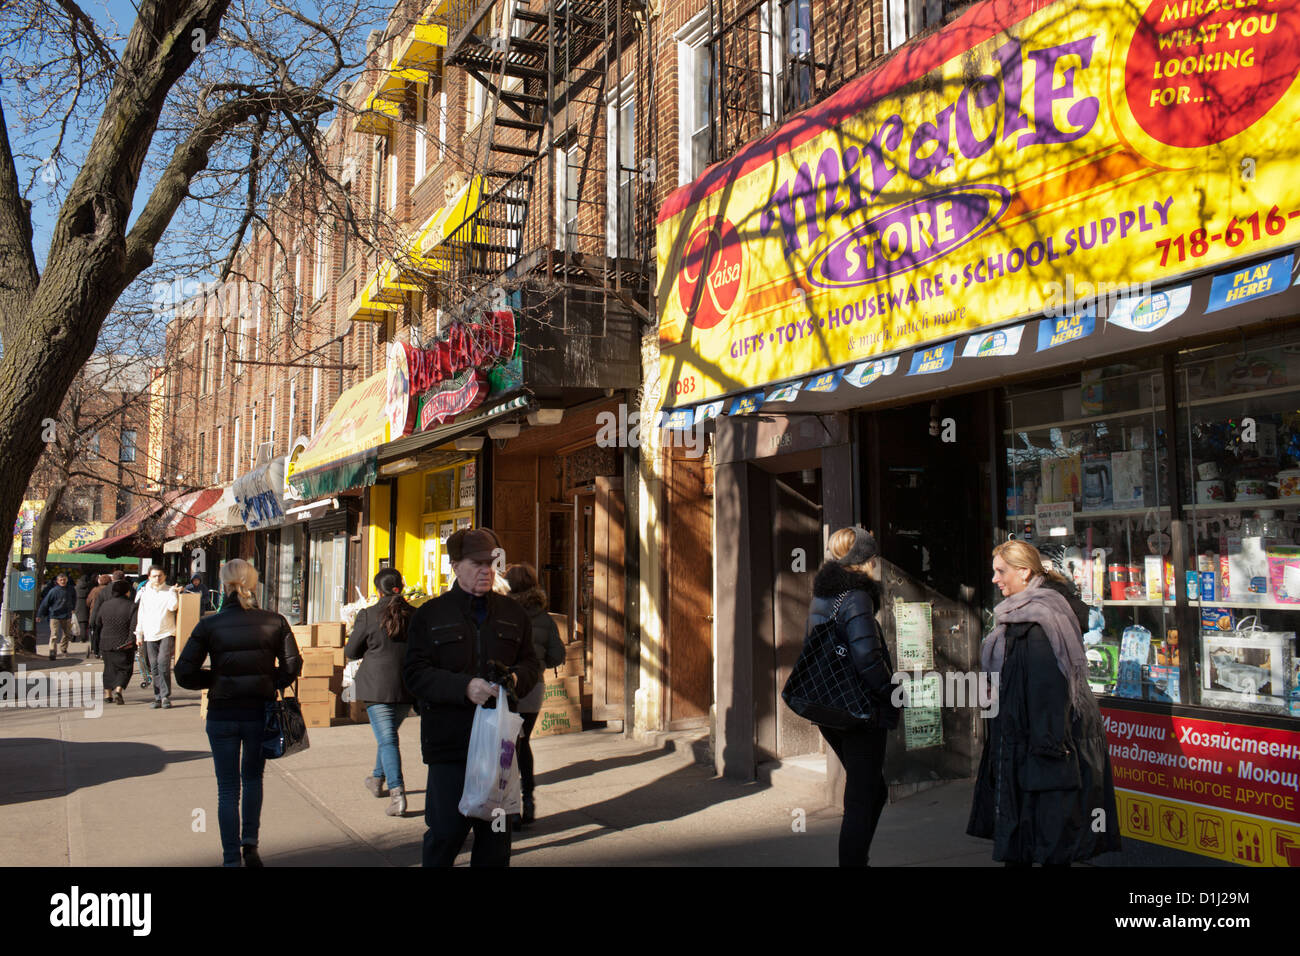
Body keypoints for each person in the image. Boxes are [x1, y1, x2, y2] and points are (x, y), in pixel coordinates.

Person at [967, 539, 1121, 866]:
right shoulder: (1021, 616)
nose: (995, 579)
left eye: (1001, 571)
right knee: (1037, 842)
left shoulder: (1038, 623)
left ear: (1023, 572)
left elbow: (1048, 695)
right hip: (1027, 748)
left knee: (1046, 842)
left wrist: (1046, 752)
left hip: (1041, 751)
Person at [403, 527, 541, 867]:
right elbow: (413, 674)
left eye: (491, 563)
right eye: (476, 563)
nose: (486, 570)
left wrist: (514, 679)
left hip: (498, 753)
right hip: (450, 747)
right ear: (455, 565)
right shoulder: (430, 615)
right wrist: (464, 688)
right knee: (446, 834)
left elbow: (531, 664)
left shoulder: (513, 614)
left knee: (495, 844)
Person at [175, 559, 302, 867]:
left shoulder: (210, 624)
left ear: (224, 582)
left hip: (222, 712)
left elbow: (183, 672)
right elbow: (292, 666)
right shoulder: (275, 621)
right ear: (254, 583)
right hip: (259, 711)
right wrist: (270, 681)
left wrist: (214, 680)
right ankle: (251, 844)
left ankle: (231, 857)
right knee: (254, 778)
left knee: (228, 788)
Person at [801, 526, 899, 867]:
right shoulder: (857, 597)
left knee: (871, 790)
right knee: (863, 796)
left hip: (831, 706)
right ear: (866, 561)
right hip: (859, 709)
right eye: (874, 560)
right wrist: (890, 693)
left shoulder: (823, 595)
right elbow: (867, 657)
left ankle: (857, 860)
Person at [346, 568, 416, 817]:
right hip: (407, 687)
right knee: (387, 736)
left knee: (388, 739)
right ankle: (377, 779)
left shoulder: (369, 614)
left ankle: (397, 793)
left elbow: (351, 651)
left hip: (376, 687)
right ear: (401, 587)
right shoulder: (415, 615)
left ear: (378, 590)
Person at [504, 563, 565, 827]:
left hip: (505, 686)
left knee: (506, 746)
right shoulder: (544, 617)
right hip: (533, 687)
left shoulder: (502, 612)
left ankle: (511, 805)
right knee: (523, 742)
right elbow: (557, 655)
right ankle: (527, 799)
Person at [135, 566, 181, 709]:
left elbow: (173, 607)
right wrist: (139, 634)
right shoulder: (144, 593)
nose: (157, 578)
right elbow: (141, 615)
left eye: (160, 576)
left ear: (165, 576)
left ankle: (165, 696)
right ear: (149, 577)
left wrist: (173, 592)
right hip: (149, 634)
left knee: (163, 663)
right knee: (153, 666)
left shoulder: (169, 591)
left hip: (166, 632)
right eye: (154, 576)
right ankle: (157, 697)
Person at [92, 580, 138, 706]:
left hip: (106, 641)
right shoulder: (132, 606)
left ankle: (108, 694)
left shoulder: (105, 605)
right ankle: (118, 689)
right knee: (125, 668)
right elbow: (134, 626)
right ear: (127, 592)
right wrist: (131, 641)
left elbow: (98, 622)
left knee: (108, 669)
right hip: (124, 642)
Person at [37, 572, 78, 660]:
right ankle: (52, 651)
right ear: (57, 581)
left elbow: (74, 598)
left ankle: (63, 649)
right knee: (54, 635)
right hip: (54, 615)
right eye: (61, 580)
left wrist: (73, 608)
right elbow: (45, 603)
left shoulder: (71, 589)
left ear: (66, 580)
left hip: (67, 615)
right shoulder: (54, 591)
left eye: (64, 580)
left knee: (67, 634)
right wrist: (39, 615)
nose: (63, 581)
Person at [86, 574, 112, 668]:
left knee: (96, 634)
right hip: (107, 615)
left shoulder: (95, 590)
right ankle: (103, 652)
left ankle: (96, 651)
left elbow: (88, 602)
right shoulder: (111, 591)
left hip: (95, 614)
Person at [74, 572, 93, 656]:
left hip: (78, 607)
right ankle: (84, 637)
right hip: (86, 607)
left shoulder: (76, 588)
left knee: (77, 623)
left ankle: (75, 637)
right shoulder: (89, 588)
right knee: (84, 624)